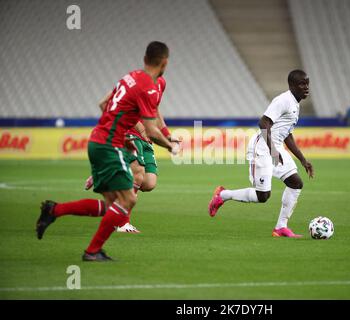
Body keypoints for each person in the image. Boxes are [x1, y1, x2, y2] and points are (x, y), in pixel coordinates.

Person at [35, 41, 179, 261]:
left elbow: (103, 104)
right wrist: (171, 145)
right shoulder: (148, 87)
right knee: (128, 200)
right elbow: (151, 129)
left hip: (100, 140)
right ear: (165, 62)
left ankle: (54, 211)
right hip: (109, 145)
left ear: (144, 59)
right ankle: (92, 251)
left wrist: (120, 134)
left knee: (112, 206)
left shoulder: (130, 77)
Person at [208, 69, 314, 238]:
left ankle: (281, 227)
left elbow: (287, 134)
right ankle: (222, 195)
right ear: (292, 85)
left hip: (275, 147)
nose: (306, 87)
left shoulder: (295, 104)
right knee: (262, 196)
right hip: (262, 148)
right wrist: (273, 151)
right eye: (302, 84)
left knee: (296, 183)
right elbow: (263, 123)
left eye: (307, 83)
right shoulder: (283, 100)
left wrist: (302, 159)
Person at [84, 77, 179, 233]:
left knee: (149, 183)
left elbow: (156, 109)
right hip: (131, 133)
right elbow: (109, 105)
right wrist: (141, 128)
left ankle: (108, 171)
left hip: (147, 137)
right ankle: (123, 223)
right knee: (138, 175)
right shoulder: (136, 82)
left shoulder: (160, 83)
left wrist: (166, 134)